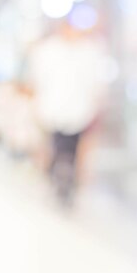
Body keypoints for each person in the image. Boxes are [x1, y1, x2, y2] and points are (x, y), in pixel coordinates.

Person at [28, 20, 107, 205]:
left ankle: (71, 183)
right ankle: (52, 178)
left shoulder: (89, 52)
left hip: (80, 113)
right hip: (52, 112)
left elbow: (96, 83)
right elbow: (38, 81)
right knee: (53, 147)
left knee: (75, 150)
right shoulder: (48, 51)